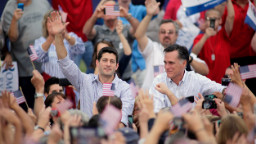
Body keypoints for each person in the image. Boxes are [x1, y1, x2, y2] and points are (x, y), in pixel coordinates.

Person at [48, 11, 134, 125]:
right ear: (97, 63)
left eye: (112, 61)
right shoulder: (84, 81)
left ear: (117, 66)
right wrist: (58, 36)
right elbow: (65, 64)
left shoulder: (125, 89)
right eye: (104, 60)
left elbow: (123, 119)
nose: (108, 64)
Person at [135, 0, 209, 89]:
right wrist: (149, 15)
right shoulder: (152, 48)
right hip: (151, 100)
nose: (166, 35)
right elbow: (139, 35)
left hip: (173, 100)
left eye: (170, 32)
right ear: (159, 34)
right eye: (163, 32)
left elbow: (205, 70)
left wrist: (187, 58)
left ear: (177, 35)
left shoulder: (182, 53)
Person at [1, 0, 51, 109]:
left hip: (46, 66)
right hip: (23, 68)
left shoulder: (42, 3)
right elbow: (11, 38)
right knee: (26, 106)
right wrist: (14, 19)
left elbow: (51, 25)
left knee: (47, 103)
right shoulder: (10, 7)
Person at [149, 44, 225, 113]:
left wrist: (233, 86)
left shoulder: (196, 79)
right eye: (165, 62)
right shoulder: (159, 81)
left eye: (171, 63)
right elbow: (156, 113)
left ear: (184, 63)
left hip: (194, 126)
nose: (166, 67)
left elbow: (224, 90)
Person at [83, 0, 139, 81]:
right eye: (107, 10)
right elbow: (86, 32)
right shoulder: (98, 29)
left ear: (117, 10)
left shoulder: (125, 28)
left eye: (113, 9)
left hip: (125, 77)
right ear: (102, 12)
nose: (110, 12)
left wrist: (127, 16)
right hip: (102, 77)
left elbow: (139, 30)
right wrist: (95, 16)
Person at [192, 1, 234, 83]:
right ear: (204, 21)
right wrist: (206, 36)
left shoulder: (223, 34)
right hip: (206, 83)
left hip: (225, 81)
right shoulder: (200, 37)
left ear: (220, 21)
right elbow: (193, 53)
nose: (212, 21)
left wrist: (228, 1)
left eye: (215, 19)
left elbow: (231, 16)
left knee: (235, 93)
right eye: (209, 19)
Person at [34, 10, 85, 79]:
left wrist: (65, 35)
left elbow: (81, 49)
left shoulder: (70, 36)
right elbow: (38, 58)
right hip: (51, 83)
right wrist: (51, 37)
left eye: (57, 21)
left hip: (70, 81)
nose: (54, 24)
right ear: (45, 24)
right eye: (50, 21)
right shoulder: (40, 41)